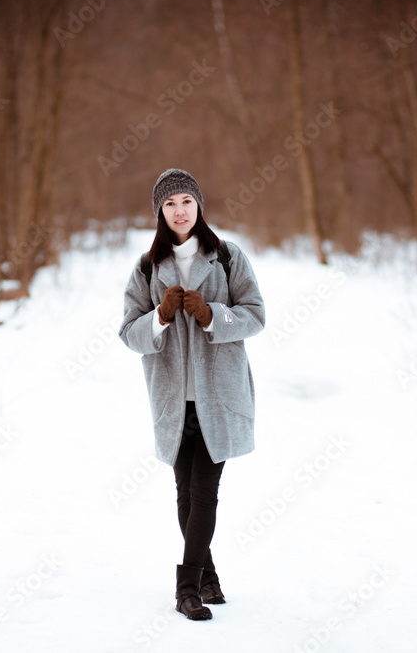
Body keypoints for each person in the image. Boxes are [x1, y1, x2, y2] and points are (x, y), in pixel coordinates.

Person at [119, 168, 265, 621]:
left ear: (198, 205)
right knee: (185, 492)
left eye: (185, 201)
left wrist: (212, 315)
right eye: (169, 204)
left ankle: (186, 590)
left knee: (204, 491)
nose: (179, 211)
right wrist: (159, 318)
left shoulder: (227, 256)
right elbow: (128, 333)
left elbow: (256, 316)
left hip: (219, 397)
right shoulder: (146, 267)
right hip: (172, 400)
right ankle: (209, 576)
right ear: (160, 213)